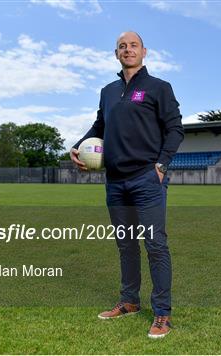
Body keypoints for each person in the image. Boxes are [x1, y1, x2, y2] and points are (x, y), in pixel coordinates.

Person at [70, 31, 184, 339]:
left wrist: (161, 165)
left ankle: (162, 313)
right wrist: (79, 145)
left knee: (155, 245)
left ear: (144, 51)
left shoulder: (158, 87)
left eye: (133, 45)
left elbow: (175, 128)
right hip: (115, 181)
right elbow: (100, 125)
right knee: (126, 245)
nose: (128, 50)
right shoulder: (108, 91)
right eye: (122, 46)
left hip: (147, 179)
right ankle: (129, 301)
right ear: (116, 53)